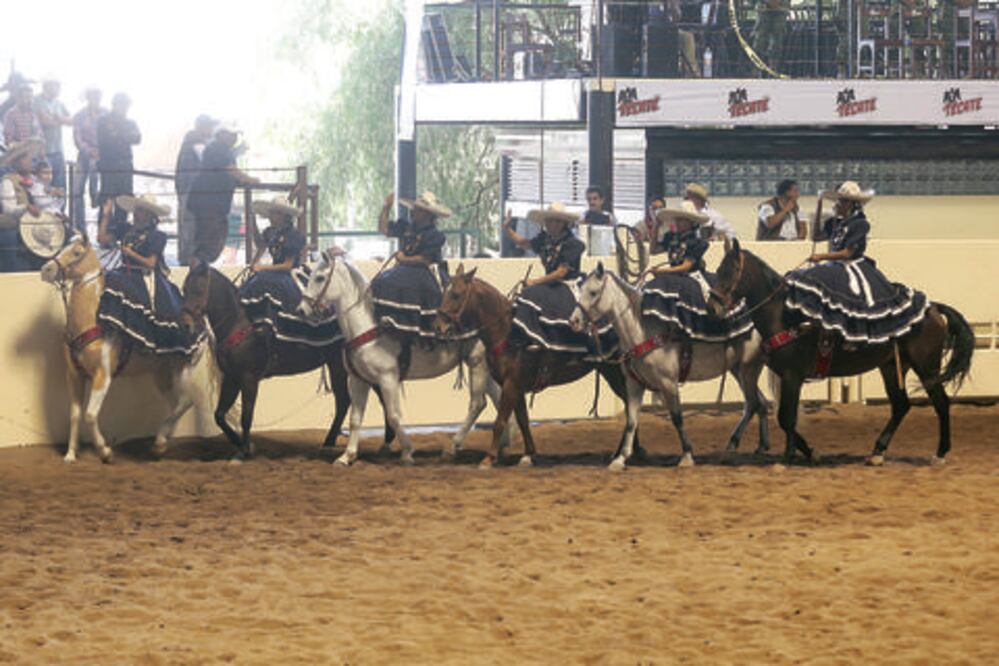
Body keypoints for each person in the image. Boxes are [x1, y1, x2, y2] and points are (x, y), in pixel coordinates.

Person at [785, 182, 928, 344]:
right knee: (810, 280)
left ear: (852, 204)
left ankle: (853, 338)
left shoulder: (860, 224)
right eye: (838, 201)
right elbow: (816, 236)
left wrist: (822, 256)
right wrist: (818, 206)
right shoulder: (835, 222)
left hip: (853, 266)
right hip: (836, 265)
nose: (838, 205)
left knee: (852, 301)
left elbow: (848, 252)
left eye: (842, 201)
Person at [505, 202, 614, 355]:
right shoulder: (544, 239)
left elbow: (561, 273)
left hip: (569, 284)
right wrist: (508, 228)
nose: (552, 224)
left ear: (564, 224)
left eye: (557, 221)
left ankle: (549, 339)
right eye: (549, 220)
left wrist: (534, 282)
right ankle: (530, 337)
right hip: (550, 283)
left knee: (533, 293)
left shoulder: (573, 244)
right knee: (527, 295)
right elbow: (524, 243)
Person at [97, 194, 195, 355]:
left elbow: (151, 263)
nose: (136, 214)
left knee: (117, 283)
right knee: (109, 279)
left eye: (141, 211)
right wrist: (106, 215)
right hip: (124, 272)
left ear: (150, 215)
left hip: (145, 275)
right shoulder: (126, 229)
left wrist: (130, 253)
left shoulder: (157, 236)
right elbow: (102, 239)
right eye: (136, 210)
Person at [642, 201, 751, 341]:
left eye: (682, 220)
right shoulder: (671, 237)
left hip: (691, 277)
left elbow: (686, 266)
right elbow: (653, 250)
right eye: (678, 219)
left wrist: (663, 271)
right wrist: (656, 226)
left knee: (697, 298)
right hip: (672, 276)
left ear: (691, 222)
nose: (678, 222)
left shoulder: (697, 241)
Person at [371, 191, 451, 343]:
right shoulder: (406, 226)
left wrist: (404, 259)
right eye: (414, 208)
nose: (412, 211)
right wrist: (386, 207)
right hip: (404, 269)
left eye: (418, 210)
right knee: (381, 281)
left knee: (404, 284)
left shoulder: (435, 235)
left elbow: (425, 259)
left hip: (425, 272)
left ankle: (417, 328)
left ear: (427, 214)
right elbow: (384, 229)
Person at [187, 125, 258, 264]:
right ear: (222, 135)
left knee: (213, 237)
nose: (235, 138)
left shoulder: (220, 149)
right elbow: (231, 170)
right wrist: (249, 180)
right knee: (210, 238)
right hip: (209, 203)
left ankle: (201, 265)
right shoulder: (218, 149)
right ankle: (200, 266)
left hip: (212, 203)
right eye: (232, 135)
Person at [239, 197, 307, 330]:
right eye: (270, 213)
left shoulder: (294, 235)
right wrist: (252, 265)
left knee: (264, 281)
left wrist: (262, 267)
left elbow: (288, 265)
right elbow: (260, 245)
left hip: (289, 275)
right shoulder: (271, 232)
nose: (270, 216)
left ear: (283, 215)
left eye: (273, 213)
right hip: (273, 272)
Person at [175, 114, 217, 265]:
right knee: (191, 229)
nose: (212, 130)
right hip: (192, 194)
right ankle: (189, 262)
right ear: (201, 127)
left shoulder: (191, 143)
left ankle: (188, 260)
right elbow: (208, 162)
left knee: (189, 229)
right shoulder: (197, 144)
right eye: (210, 126)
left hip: (188, 192)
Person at [0, 139, 45, 272]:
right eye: (28, 159)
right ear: (19, 161)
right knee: (10, 236)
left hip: (30, 225)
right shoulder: (8, 181)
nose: (32, 162)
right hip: (14, 225)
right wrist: (26, 208)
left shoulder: (33, 181)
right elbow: (9, 209)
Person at [97, 93, 141, 227]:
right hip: (109, 165)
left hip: (125, 165)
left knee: (125, 201)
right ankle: (104, 232)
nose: (124, 108)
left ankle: (120, 232)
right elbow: (108, 140)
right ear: (115, 105)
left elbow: (137, 138)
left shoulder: (130, 122)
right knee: (107, 201)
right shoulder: (104, 121)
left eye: (126, 105)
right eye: (122, 105)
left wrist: (120, 135)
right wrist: (124, 136)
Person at [71, 88, 105, 233]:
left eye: (97, 96)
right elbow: (77, 137)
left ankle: (102, 229)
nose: (95, 99)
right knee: (77, 192)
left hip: (102, 157)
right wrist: (89, 150)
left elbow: (109, 135)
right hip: (84, 156)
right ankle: (80, 228)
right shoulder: (79, 115)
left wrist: (100, 151)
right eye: (92, 96)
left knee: (102, 193)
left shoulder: (106, 113)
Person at [34, 80, 72, 190]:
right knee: (44, 185)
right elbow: (44, 121)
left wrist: (58, 119)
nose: (59, 89)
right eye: (56, 86)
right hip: (42, 151)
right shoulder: (36, 101)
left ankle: (60, 207)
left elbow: (72, 121)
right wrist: (60, 120)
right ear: (47, 86)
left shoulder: (59, 103)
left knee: (60, 185)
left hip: (58, 150)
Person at [753, 0, 791, 71]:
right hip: (763, 7)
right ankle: (758, 66)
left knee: (777, 39)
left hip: (780, 8)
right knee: (761, 38)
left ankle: (773, 68)